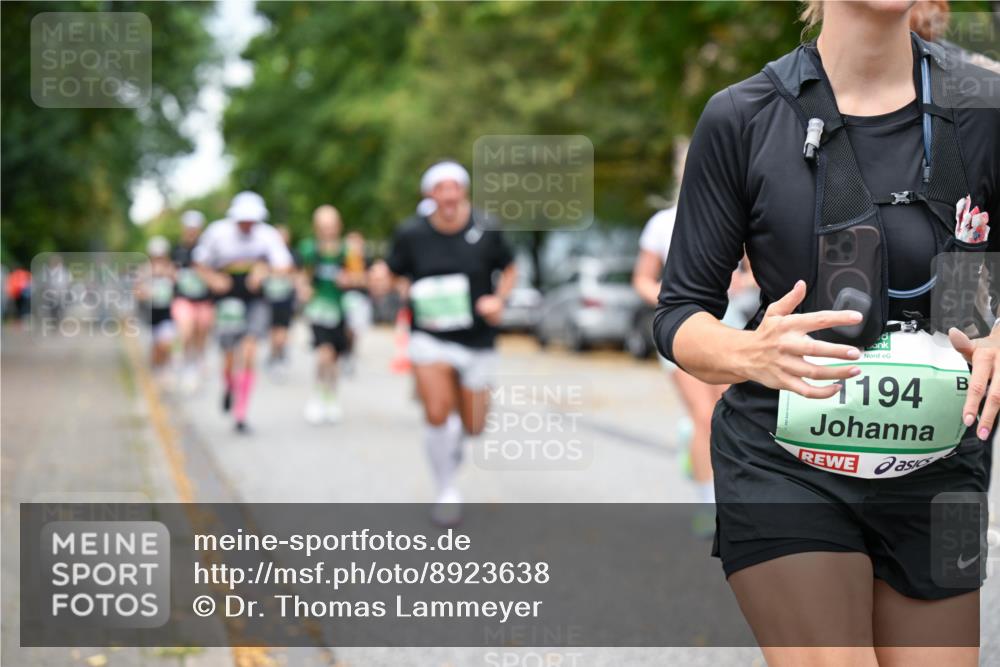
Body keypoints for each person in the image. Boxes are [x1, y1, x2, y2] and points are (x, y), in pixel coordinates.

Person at [654, 1, 998, 664]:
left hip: (939, 465)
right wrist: (749, 351)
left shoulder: (983, 107)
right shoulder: (744, 116)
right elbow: (678, 314)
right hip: (785, 460)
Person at [386, 161, 516, 526]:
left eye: (454, 187)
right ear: (431, 195)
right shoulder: (411, 233)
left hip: (477, 338)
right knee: (438, 412)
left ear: (463, 192)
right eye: (440, 188)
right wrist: (402, 288)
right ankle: (445, 488)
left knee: (474, 424)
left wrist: (498, 300)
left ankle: (455, 442)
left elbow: (509, 268)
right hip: (431, 336)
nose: (448, 194)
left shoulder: (486, 228)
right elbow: (394, 273)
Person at [633, 206, 757, 513]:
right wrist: (668, 295)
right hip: (681, 324)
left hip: (727, 323)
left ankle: (729, 490)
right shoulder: (661, 222)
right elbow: (642, 280)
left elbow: (755, 271)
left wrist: (743, 281)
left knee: (728, 414)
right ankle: (708, 504)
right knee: (703, 414)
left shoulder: (733, 212)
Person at [193, 191, 294, 433]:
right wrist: (214, 278)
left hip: (256, 299)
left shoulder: (267, 235)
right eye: (243, 221)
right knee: (229, 356)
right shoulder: (218, 233)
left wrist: (265, 270)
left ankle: (241, 413)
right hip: (227, 299)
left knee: (249, 351)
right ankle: (229, 385)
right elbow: (199, 264)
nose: (248, 225)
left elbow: (285, 265)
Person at [297, 205, 363, 424]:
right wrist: (304, 288)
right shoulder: (309, 249)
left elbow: (360, 277)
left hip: (340, 310)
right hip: (318, 309)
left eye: (331, 226)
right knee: (323, 353)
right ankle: (317, 395)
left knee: (334, 359)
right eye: (323, 227)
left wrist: (349, 280)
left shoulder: (347, 251)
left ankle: (331, 396)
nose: (327, 230)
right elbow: (302, 276)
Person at [171, 210, 215, 391]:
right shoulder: (177, 250)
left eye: (194, 228)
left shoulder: (207, 250)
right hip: (183, 299)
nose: (191, 231)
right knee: (186, 329)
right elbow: (171, 271)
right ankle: (186, 362)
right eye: (188, 228)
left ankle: (199, 359)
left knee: (200, 332)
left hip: (204, 301)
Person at [140, 236, 177, 383]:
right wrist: (146, 293)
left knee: (166, 343)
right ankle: (156, 369)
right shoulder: (144, 270)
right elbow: (138, 291)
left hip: (167, 313)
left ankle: (164, 369)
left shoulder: (171, 269)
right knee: (156, 346)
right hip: (150, 313)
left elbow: (179, 288)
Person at [263, 224, 297, 380]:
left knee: (282, 329)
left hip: (286, 297)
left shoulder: (292, 255)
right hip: (270, 297)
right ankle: (274, 355)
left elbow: (297, 275)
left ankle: (280, 355)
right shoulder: (266, 254)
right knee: (272, 329)